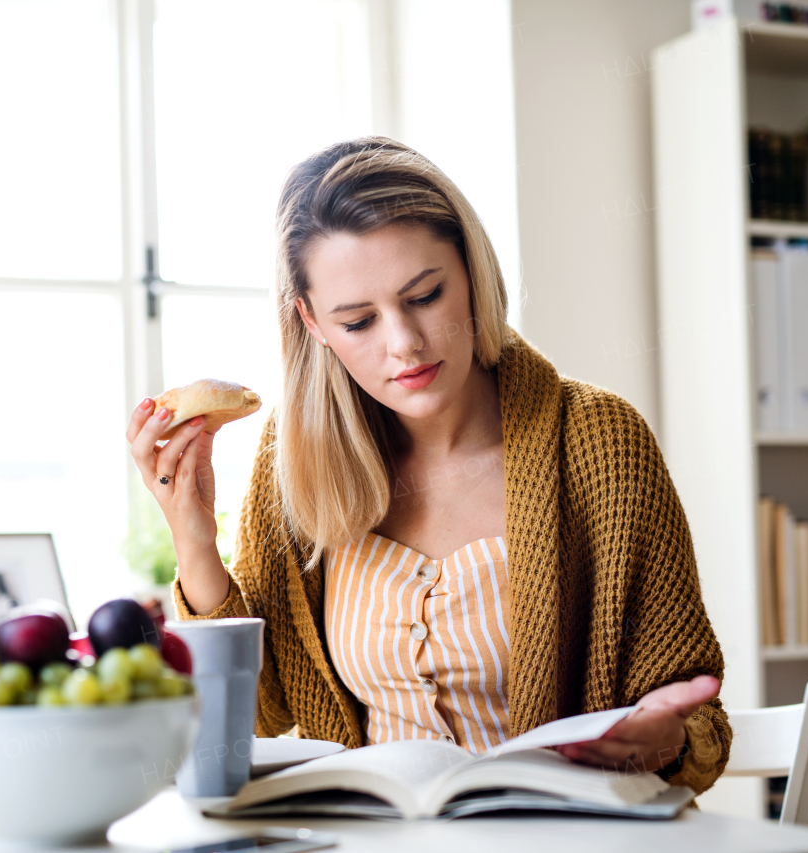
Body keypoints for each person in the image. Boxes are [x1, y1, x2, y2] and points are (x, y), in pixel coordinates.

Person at [127, 137, 729, 792]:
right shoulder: (293, 458)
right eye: (358, 321)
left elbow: (698, 727)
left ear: (470, 270)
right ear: (312, 322)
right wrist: (192, 534)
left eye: (424, 295)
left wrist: (658, 740)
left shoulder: (600, 442)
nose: (404, 343)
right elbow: (262, 713)